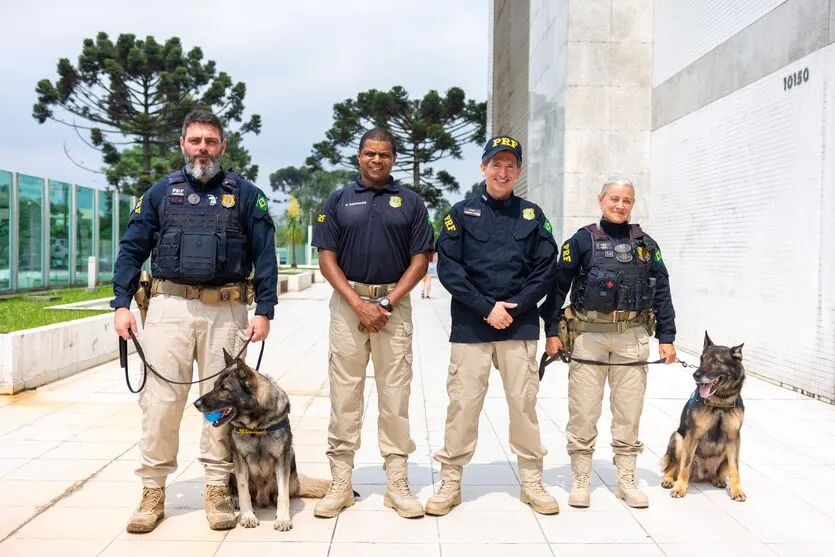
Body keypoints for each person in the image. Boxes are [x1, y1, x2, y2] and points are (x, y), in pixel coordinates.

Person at [111, 109, 278, 533]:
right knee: (161, 403)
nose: (202, 149)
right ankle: (152, 491)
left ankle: (217, 489)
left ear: (222, 146)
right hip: (170, 307)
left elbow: (265, 256)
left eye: (210, 142)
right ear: (183, 144)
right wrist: (121, 303)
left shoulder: (246, 195)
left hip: (228, 310)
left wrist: (265, 310)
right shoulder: (159, 194)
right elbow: (132, 249)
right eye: (195, 141)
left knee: (220, 407)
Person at [425, 135, 559, 516]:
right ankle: (450, 482)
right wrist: (486, 308)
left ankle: (532, 482)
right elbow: (449, 269)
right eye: (495, 164)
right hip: (472, 326)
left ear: (518, 171)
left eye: (510, 165)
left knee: (524, 405)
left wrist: (512, 310)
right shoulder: (460, 213)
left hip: (518, 327)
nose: (502, 171)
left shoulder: (532, 216)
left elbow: (544, 270)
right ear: (483, 167)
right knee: (463, 405)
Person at [311, 127, 434, 519]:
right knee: (344, 395)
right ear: (359, 156)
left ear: (393, 158)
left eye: (384, 154)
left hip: (392, 308)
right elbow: (327, 259)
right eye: (369, 153)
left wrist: (383, 303)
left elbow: (421, 260)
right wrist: (358, 303)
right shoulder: (338, 200)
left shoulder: (411, 202)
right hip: (348, 306)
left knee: (395, 395)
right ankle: (341, 482)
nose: (376, 160)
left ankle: (397, 482)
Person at [541, 176, 677, 509]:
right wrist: (552, 331)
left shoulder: (646, 243)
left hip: (632, 337)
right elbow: (558, 289)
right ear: (600, 200)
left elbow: (662, 289)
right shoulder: (582, 241)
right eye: (613, 199)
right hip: (589, 337)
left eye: (626, 200)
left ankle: (626, 481)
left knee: (628, 412)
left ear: (632, 203)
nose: (619, 205)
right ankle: (581, 479)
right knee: (583, 412)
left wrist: (667, 337)